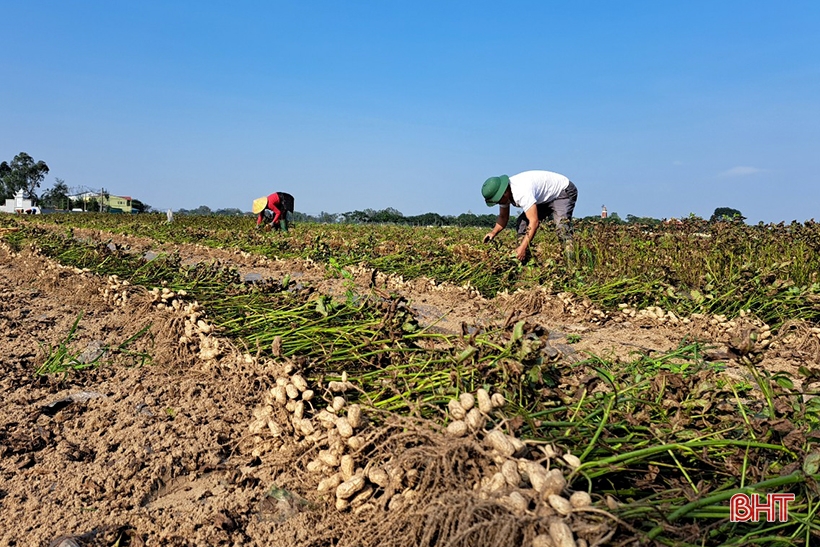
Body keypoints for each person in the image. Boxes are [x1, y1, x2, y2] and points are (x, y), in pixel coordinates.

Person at [481, 170, 578, 261]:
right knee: (522, 224)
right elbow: (503, 217)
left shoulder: (521, 192)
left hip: (562, 192)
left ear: (504, 193)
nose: (498, 203)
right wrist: (493, 233)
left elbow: (534, 222)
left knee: (562, 228)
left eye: (498, 201)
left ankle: (571, 265)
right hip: (544, 198)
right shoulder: (505, 192)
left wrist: (523, 247)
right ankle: (524, 259)